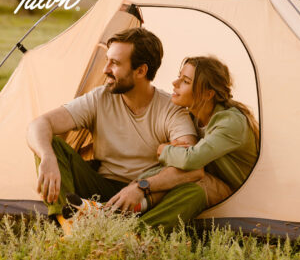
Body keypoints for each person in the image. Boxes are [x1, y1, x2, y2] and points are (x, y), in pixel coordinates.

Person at [26, 28, 206, 235]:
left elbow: (194, 168)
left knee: (194, 193)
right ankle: (71, 229)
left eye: (115, 63)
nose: (105, 69)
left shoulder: (171, 110)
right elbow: (39, 124)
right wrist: (47, 157)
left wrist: (141, 187)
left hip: (147, 197)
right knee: (52, 146)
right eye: (107, 60)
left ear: (141, 71)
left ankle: (133, 236)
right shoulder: (99, 98)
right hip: (99, 190)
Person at [154, 56, 259, 214]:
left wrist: (163, 149)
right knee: (166, 174)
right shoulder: (192, 117)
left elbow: (191, 159)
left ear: (207, 94)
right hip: (211, 183)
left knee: (188, 182)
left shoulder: (231, 122)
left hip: (239, 197)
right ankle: (124, 214)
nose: (174, 84)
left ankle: (139, 229)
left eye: (186, 81)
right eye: (179, 77)